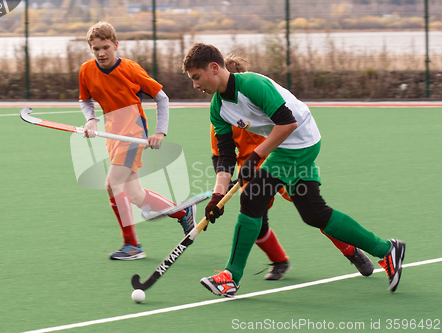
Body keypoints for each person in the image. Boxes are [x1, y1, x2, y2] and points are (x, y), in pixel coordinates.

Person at [182, 43, 405, 297]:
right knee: (314, 213)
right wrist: (217, 197)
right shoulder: (217, 108)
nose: (195, 85)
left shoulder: (252, 85)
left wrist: (257, 155)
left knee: (252, 197)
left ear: (213, 68)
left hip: (301, 139)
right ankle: (388, 250)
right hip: (283, 145)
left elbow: (288, 123)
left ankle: (231, 276)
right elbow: (224, 158)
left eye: (196, 77)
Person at [207, 54, 374, 280]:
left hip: (283, 156)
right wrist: (220, 191)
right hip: (252, 171)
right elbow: (222, 157)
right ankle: (279, 261)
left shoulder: (257, 99)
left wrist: (258, 164)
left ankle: (351, 249)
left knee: (311, 210)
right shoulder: (223, 115)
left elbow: (283, 129)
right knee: (257, 218)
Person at [78, 22, 196, 260]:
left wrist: (160, 132)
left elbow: (161, 98)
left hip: (132, 134)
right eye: (95, 49)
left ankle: (132, 246)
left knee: (113, 184)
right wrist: (90, 120)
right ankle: (183, 213)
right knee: (134, 194)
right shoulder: (86, 71)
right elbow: (85, 100)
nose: (101, 53)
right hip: (112, 135)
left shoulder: (131, 69)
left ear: (116, 45)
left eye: (105, 47)